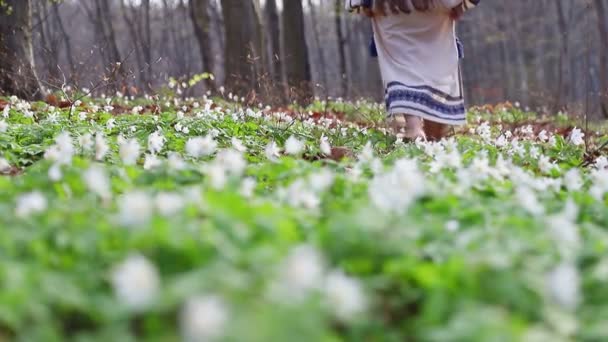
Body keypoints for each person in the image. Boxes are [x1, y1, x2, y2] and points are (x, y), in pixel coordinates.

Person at [348, 0, 480, 141]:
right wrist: (462, 6)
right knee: (435, 69)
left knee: (401, 71)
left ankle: (414, 127)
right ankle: (433, 132)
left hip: (390, 10)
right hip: (433, 12)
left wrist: (365, 5)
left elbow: (355, 4)